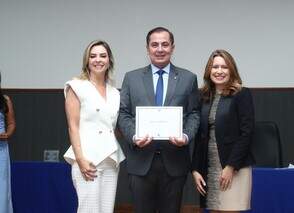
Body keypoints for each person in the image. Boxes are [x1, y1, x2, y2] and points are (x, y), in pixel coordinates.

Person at [118, 27, 200, 213]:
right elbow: (123, 114)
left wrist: (186, 136)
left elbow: (194, 113)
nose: (160, 49)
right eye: (154, 45)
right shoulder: (132, 78)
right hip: (141, 160)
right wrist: (134, 136)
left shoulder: (188, 78)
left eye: (165, 44)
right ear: (147, 49)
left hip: (175, 161)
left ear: (172, 47)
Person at [63, 40, 125, 213]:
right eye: (93, 56)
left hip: (111, 159)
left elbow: (112, 127)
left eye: (103, 56)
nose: (98, 60)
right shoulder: (76, 86)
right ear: (87, 61)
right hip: (87, 159)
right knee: (88, 210)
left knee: (106, 210)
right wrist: (80, 159)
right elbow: (73, 127)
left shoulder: (115, 93)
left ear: (109, 60)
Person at [192, 49, 255, 213]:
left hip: (234, 167)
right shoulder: (203, 96)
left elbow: (246, 134)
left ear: (231, 70)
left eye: (224, 67)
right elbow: (200, 137)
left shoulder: (241, 94)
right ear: (209, 71)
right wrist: (195, 169)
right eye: (215, 67)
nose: (219, 71)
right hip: (209, 167)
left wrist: (230, 166)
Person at [0, 72, 16, 213]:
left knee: (2, 187)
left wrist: (7, 133)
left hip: (1, 150)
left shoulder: (5, 99)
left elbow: (11, 123)